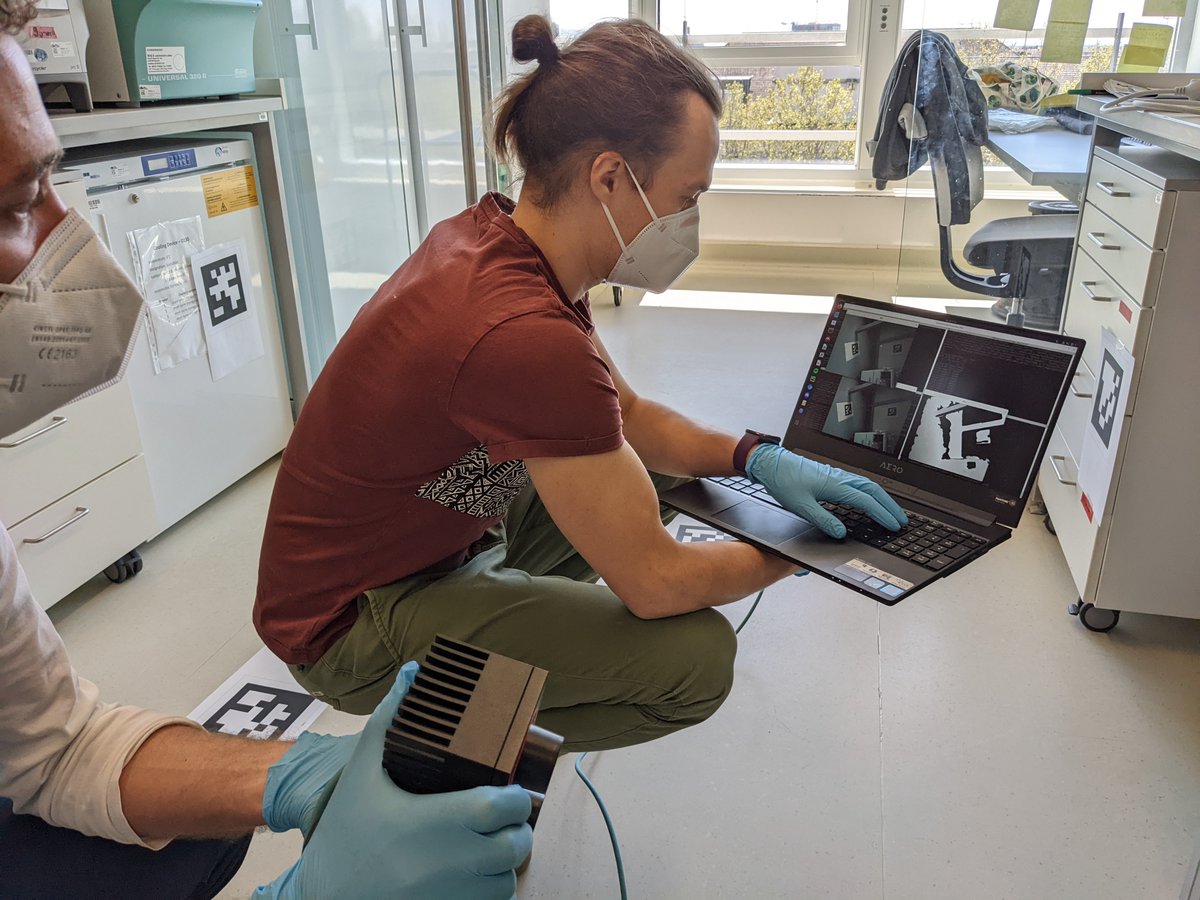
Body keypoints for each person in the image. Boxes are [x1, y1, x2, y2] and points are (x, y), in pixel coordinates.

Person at [254, 13, 908, 755]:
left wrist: (754, 458)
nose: (691, 220)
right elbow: (656, 583)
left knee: (647, 472)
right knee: (692, 662)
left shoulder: (504, 243)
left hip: (430, 530)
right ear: (608, 176)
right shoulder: (520, 332)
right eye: (687, 197)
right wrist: (799, 552)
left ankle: (481, 679)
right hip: (348, 622)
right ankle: (450, 747)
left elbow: (623, 414)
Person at [0, 5, 531, 897]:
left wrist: (295, 772)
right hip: (330, 621)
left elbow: (50, 747)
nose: (61, 243)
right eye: (19, 205)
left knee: (196, 839)